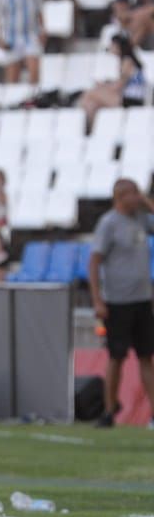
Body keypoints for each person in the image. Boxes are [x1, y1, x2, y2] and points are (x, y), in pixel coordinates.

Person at [88, 178, 154, 428]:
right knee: (117, 357)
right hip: (118, 302)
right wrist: (97, 299)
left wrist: (147, 203)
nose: (137, 198)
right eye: (133, 194)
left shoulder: (141, 219)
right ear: (120, 197)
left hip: (142, 300)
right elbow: (94, 262)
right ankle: (109, 409)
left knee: (147, 356)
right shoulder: (109, 224)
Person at [80, 34, 147, 130]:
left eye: (112, 45)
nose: (110, 47)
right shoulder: (125, 61)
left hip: (130, 101)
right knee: (91, 104)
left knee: (90, 94)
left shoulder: (127, 62)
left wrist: (102, 86)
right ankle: (90, 133)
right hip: (127, 99)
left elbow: (117, 87)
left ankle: (87, 129)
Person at [0, 0, 45, 85]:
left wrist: (43, 31)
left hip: (30, 35)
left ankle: (33, 97)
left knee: (34, 69)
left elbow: (39, 12)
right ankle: (13, 98)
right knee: (12, 78)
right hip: (11, 38)